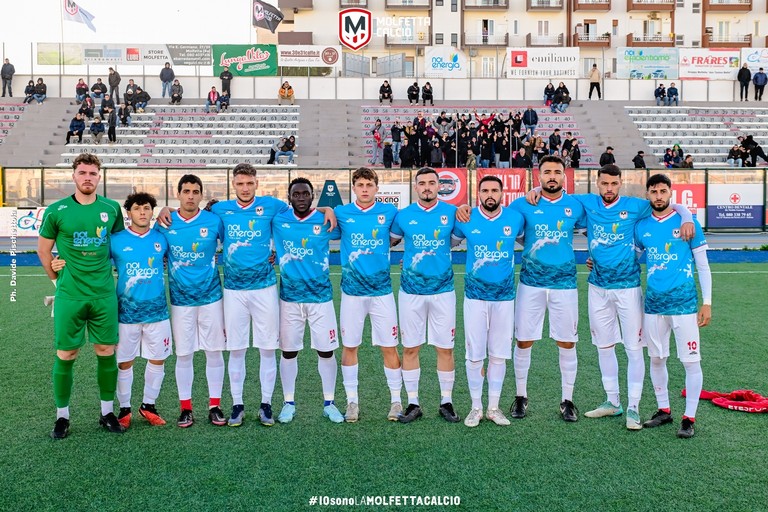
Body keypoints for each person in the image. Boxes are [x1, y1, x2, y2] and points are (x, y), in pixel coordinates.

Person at [527, 165, 693, 430]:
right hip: (597, 287)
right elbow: (555, 196)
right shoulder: (587, 203)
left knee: (633, 347)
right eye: (604, 184)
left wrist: (686, 217)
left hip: (627, 288)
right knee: (604, 346)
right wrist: (536, 189)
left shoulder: (635, 206)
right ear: (597, 183)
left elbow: (666, 205)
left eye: (613, 184)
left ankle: (633, 407)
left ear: (620, 183)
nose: (609, 189)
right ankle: (612, 402)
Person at [37, 153, 126, 439]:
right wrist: (56, 278)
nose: (88, 177)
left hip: (103, 295)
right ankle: (62, 416)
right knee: (67, 353)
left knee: (106, 351)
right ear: (74, 176)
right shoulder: (56, 211)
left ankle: (107, 412)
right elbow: (43, 250)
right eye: (82, 173)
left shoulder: (111, 209)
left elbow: (120, 245)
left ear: (99, 177)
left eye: (93, 173)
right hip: (70, 296)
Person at [210, 164, 291, 427]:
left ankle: (266, 404)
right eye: (240, 183)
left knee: (268, 348)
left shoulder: (273, 205)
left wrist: (278, 250)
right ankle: (237, 404)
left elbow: (297, 220)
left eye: (249, 183)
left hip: (265, 288)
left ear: (257, 183)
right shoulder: (221, 209)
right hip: (233, 290)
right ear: (233, 184)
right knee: (237, 349)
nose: (245, 188)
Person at [505, 156, 585, 422]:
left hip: (565, 285)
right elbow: (504, 227)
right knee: (524, 340)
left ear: (565, 176)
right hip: (531, 284)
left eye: (557, 172)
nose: (552, 176)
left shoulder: (576, 205)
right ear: (538, 176)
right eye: (547, 172)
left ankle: (567, 400)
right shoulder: (522, 204)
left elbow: (597, 227)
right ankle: (520, 396)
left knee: (567, 341)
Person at [635, 173, 711, 438]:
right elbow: (632, 258)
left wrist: (707, 302)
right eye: (653, 191)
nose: (658, 196)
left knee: (691, 362)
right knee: (657, 358)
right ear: (648, 194)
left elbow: (702, 265)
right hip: (654, 306)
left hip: (685, 306)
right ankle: (663, 409)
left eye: (663, 191)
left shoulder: (687, 223)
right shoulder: (642, 226)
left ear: (670, 193)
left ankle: (689, 417)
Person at [154, 175, 227, 428]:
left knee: (214, 351)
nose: (191, 196)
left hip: (211, 297)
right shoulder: (165, 222)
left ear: (201, 195)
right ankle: (186, 408)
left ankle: (214, 406)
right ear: (178, 194)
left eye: (196, 191)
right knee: (184, 354)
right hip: (180, 300)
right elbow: (150, 248)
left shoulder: (214, 220)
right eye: (186, 191)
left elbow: (237, 242)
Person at [390, 167, 461, 424]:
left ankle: (446, 401)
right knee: (410, 347)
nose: (428, 187)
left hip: (443, 292)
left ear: (439, 186)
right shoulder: (403, 216)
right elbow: (389, 242)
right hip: (411, 292)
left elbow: (454, 242)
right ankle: (413, 402)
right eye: (423, 183)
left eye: (432, 183)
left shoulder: (452, 213)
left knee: (445, 348)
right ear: (416, 187)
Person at [453, 176, 525, 427]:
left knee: (498, 354)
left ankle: (493, 407)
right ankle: (476, 407)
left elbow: (530, 241)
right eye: (485, 190)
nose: (490, 194)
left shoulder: (515, 218)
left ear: (502, 193)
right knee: (474, 355)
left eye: (495, 190)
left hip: (505, 299)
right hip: (474, 297)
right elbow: (446, 244)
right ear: (478, 193)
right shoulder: (466, 217)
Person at [272, 178, 343, 424]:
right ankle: (288, 403)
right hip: (289, 299)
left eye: (305, 194)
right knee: (289, 352)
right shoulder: (278, 219)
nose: (301, 198)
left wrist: (329, 209)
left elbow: (348, 218)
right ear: (289, 197)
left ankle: (329, 403)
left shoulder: (325, 220)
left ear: (313, 196)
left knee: (326, 351)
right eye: (296, 194)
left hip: (321, 298)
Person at [334, 168, 402, 422]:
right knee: (350, 346)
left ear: (376, 188)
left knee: (389, 346)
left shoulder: (389, 212)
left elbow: (403, 237)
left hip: (382, 292)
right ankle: (352, 402)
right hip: (351, 293)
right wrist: (326, 210)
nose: (364, 189)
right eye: (360, 184)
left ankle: (396, 400)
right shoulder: (341, 213)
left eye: (369, 184)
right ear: (354, 187)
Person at [110, 192, 171, 429]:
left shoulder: (161, 237)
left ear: (152, 212)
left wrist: (169, 209)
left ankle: (148, 406)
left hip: (157, 312)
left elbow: (182, 216)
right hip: (126, 314)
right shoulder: (115, 240)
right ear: (129, 213)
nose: (143, 212)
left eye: (147, 208)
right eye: (137, 208)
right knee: (125, 361)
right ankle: (124, 409)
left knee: (158, 359)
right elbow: (95, 264)